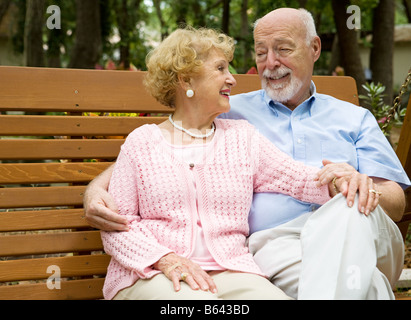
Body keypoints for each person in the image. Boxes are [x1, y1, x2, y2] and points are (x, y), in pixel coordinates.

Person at [84, 9, 410, 299]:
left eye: (283, 49)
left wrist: (343, 182)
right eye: (260, 52)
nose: (234, 78)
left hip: (339, 233)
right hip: (255, 252)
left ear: (314, 49)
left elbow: (297, 177)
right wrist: (97, 188)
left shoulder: (245, 135)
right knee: (369, 287)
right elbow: (145, 176)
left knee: (347, 212)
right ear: (186, 80)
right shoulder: (209, 120)